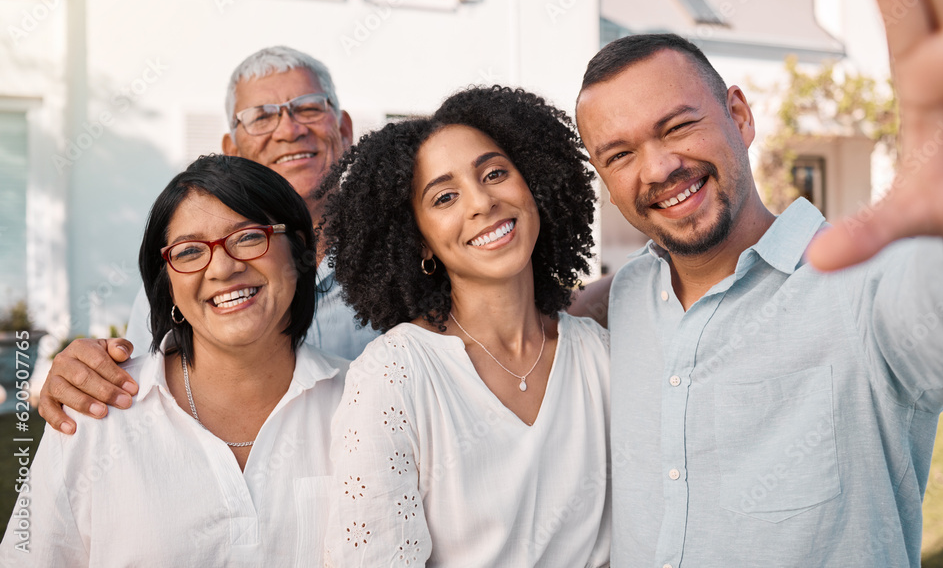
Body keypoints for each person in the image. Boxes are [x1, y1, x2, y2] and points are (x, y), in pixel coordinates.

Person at [573, 0, 943, 566]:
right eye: (619, 155)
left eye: (677, 126)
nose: (657, 169)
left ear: (741, 117)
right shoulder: (623, 299)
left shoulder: (863, 288)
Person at [1, 155, 348, 566]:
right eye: (188, 252)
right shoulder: (96, 411)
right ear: (167, 284)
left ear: (299, 252)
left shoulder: (365, 401)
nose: (223, 266)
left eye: (249, 237)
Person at [320, 87, 611, 566]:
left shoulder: (600, 357)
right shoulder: (394, 375)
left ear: (533, 184)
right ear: (422, 243)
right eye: (445, 197)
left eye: (495, 173)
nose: (481, 202)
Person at [39, 46, 378, 435]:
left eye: (309, 108)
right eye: (261, 117)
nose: (289, 129)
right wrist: (84, 372)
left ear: (346, 129)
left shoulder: (407, 262)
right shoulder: (183, 283)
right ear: (232, 151)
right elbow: (133, 398)